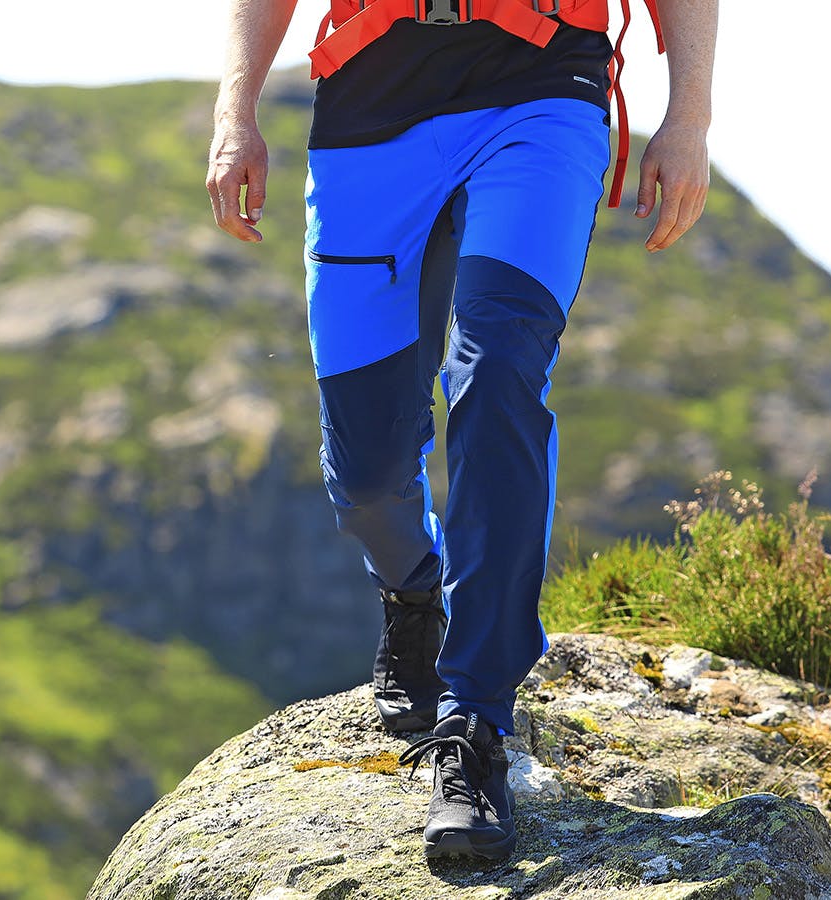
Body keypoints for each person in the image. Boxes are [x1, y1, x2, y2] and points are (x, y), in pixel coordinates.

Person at [205, 0, 717, 862]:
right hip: (371, 103)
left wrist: (689, 117)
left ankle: (476, 722)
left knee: (496, 374)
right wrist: (235, 115)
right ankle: (413, 593)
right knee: (365, 474)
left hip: (543, 85)